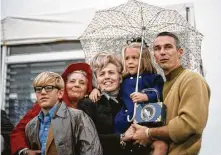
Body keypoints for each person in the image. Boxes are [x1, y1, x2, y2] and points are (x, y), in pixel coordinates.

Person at [131, 31, 210, 155]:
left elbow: (189, 125)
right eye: (157, 49)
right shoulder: (162, 85)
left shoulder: (192, 79)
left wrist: (148, 133)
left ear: (180, 52)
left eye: (168, 47)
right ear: (155, 57)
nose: (162, 52)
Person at [10, 63, 93, 155]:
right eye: (72, 81)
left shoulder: (90, 109)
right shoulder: (48, 104)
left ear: (87, 89)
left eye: (82, 83)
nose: (77, 85)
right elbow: (19, 131)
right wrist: (24, 151)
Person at [24, 71, 102, 155]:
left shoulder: (79, 117)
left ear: (60, 93)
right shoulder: (30, 126)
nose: (42, 92)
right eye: (38, 89)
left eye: (48, 88)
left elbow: (92, 151)